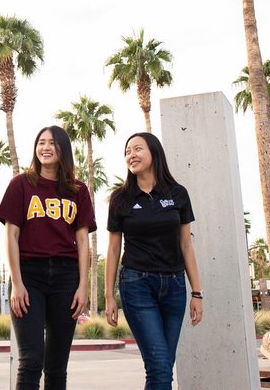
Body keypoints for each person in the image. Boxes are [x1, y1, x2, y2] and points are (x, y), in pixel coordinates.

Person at [0, 125, 95, 390]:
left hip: (66, 277)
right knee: (31, 360)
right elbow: (11, 236)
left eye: (53, 143)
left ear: (63, 149)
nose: (46, 147)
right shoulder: (21, 184)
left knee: (57, 366)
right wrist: (16, 283)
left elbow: (83, 240)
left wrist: (83, 287)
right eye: (41, 142)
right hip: (29, 275)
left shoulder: (78, 190)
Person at [104, 132, 203, 390]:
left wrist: (197, 292)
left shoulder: (178, 194)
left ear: (154, 153)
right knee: (159, 367)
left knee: (162, 369)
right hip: (137, 284)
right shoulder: (120, 198)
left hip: (174, 286)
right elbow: (113, 250)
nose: (131, 155)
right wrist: (109, 296)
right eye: (127, 151)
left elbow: (186, 245)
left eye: (137, 149)